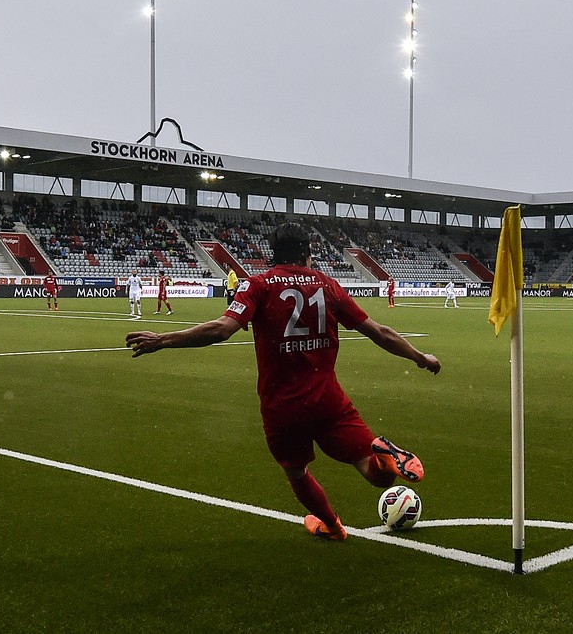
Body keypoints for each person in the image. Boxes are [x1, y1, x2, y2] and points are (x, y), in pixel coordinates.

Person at [126, 222, 440, 541]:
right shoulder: (327, 285)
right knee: (377, 476)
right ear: (308, 252)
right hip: (329, 402)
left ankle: (332, 525)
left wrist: (163, 340)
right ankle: (386, 457)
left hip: (283, 408)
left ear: (272, 254)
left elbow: (221, 329)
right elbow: (378, 332)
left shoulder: (258, 286)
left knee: (297, 472)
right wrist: (420, 357)